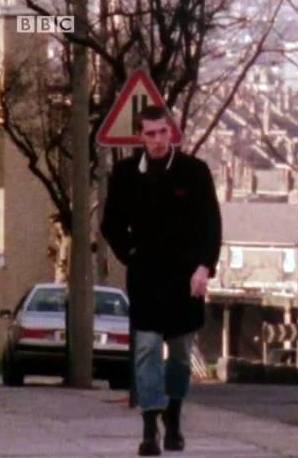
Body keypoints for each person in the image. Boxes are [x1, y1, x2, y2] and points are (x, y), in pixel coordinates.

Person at [101, 105, 222, 456]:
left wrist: (204, 267)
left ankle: (174, 417)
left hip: (185, 278)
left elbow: (211, 225)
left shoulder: (194, 172)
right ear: (140, 136)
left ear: (172, 133)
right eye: (150, 133)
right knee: (147, 349)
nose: (157, 140)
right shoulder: (126, 174)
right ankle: (149, 426)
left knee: (180, 356)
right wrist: (130, 253)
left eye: (162, 132)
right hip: (146, 278)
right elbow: (111, 224)